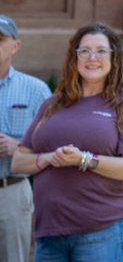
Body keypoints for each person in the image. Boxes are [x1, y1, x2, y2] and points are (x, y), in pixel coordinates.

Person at [12, 24, 123, 262]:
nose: (92, 58)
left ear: (114, 57)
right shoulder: (52, 104)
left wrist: (83, 159)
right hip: (50, 231)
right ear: (74, 57)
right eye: (84, 51)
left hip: (101, 230)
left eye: (101, 51)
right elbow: (19, 162)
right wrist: (49, 158)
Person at [0, 15, 51, 262]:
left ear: (15, 45)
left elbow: (54, 144)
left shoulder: (37, 90)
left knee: (13, 258)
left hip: (12, 191)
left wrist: (18, 147)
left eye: (0, 39)